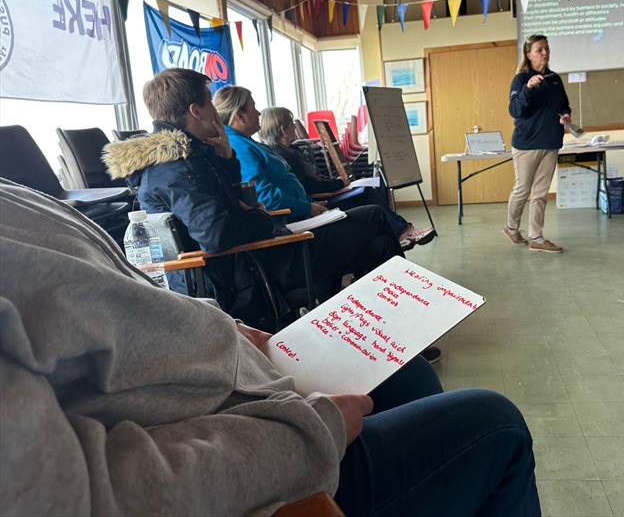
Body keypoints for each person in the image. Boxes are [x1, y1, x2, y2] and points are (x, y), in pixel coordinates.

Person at [0, 178, 542, 516]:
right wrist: (315, 434)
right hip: (247, 470)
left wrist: (226, 328)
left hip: (239, 385)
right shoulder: (192, 167)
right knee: (495, 425)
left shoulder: (14, 195)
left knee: (408, 377)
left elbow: (128, 298)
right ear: (194, 112)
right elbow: (67, 499)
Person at [103, 68, 402, 322]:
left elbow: (230, 208)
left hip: (251, 260)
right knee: (374, 223)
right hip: (250, 273)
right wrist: (263, 220)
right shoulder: (179, 167)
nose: (215, 112)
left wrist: (226, 157)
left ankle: (381, 327)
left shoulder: (189, 159)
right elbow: (217, 233)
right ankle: (392, 325)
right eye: (209, 103)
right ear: (196, 111)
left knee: (376, 241)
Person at [212, 88, 433, 250]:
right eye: (253, 107)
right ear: (240, 115)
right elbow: (265, 196)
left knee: (380, 232)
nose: (259, 113)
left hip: (305, 209)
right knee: (374, 217)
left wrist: (309, 204)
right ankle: (397, 261)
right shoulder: (239, 147)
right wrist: (307, 207)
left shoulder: (246, 143)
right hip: (293, 221)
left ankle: (396, 254)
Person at [260, 105, 435, 249]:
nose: (294, 128)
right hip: (318, 202)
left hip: (320, 197)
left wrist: (338, 184)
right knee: (367, 197)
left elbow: (314, 179)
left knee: (370, 191)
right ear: (283, 129)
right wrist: (338, 184)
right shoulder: (281, 155)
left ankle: (401, 231)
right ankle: (401, 231)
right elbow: (308, 185)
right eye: (291, 124)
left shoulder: (293, 149)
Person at [505, 34, 571, 253]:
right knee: (522, 189)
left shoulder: (554, 78)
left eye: (546, 49)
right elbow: (515, 110)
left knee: (541, 193)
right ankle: (511, 227)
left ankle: (536, 237)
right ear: (528, 54)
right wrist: (528, 89)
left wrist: (565, 115)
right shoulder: (521, 79)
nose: (545, 53)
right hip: (527, 144)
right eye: (539, 50)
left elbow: (563, 104)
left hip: (551, 142)